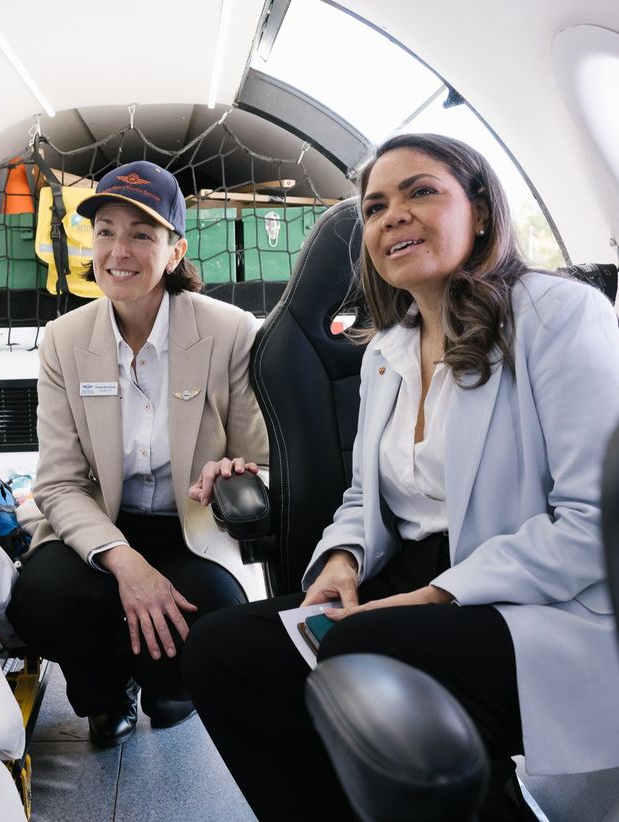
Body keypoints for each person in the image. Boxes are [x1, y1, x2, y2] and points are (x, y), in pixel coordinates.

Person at [182, 133, 619, 820]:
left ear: (480, 212)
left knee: (364, 648)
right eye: (376, 207)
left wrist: (438, 596)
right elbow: (366, 495)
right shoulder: (386, 350)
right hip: (408, 580)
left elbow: (595, 520)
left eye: (421, 192)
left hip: (539, 601)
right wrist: (343, 559)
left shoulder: (556, 315)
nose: (394, 217)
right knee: (221, 649)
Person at [8, 160, 269, 747]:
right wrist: (126, 563)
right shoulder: (64, 340)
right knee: (43, 600)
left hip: (189, 525)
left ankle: (168, 684)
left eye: (141, 234)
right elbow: (58, 483)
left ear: (175, 252)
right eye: (105, 231)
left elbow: (261, 460)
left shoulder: (230, 332)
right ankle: (105, 692)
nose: (118, 251)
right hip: (99, 522)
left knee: (214, 625)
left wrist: (235, 471)